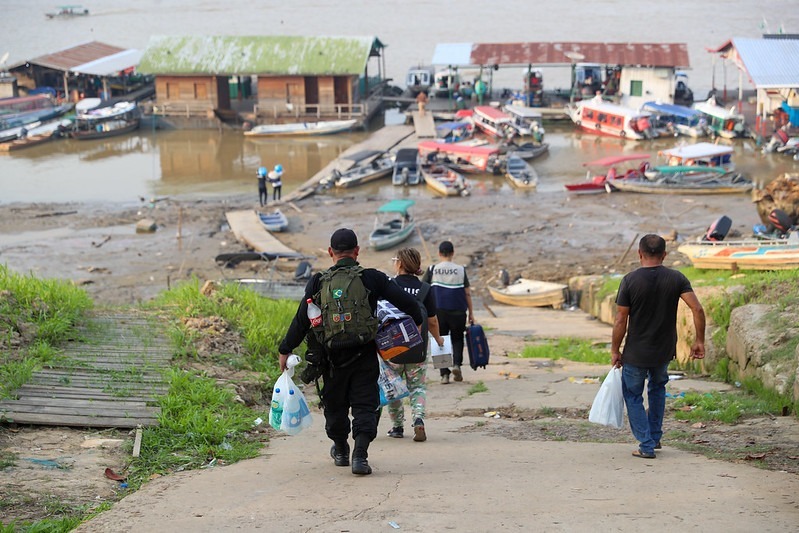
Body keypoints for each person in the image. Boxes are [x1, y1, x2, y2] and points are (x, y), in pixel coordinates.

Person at [278, 228, 423, 476]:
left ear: (330, 252)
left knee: (335, 406)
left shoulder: (318, 281)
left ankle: (342, 449)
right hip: (364, 353)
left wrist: (285, 349)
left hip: (331, 357)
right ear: (357, 252)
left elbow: (301, 318)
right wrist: (416, 325)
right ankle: (360, 455)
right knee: (365, 405)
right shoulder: (372, 278)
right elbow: (409, 305)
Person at [611, 234, 706, 459]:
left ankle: (646, 444)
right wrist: (699, 340)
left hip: (636, 351)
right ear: (664, 255)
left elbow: (620, 320)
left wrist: (615, 350)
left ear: (639, 254)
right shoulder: (676, 278)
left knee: (633, 395)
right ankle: (654, 436)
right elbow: (698, 309)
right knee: (657, 390)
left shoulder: (629, 280)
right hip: (664, 350)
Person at [385, 248, 444, 442]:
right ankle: (418, 419)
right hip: (418, 347)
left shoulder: (389, 286)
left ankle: (397, 426)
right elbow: (433, 321)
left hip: (393, 348)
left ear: (400, 264)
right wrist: (438, 339)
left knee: (393, 387)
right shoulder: (425, 289)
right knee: (417, 386)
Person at [422, 240, 474, 384]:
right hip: (458, 311)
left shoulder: (432, 269)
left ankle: (444, 375)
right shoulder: (460, 270)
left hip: (438, 311)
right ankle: (457, 365)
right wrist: (471, 313)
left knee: (440, 340)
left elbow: (423, 290)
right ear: (452, 253)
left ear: (439, 253)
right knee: (457, 339)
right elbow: (467, 293)